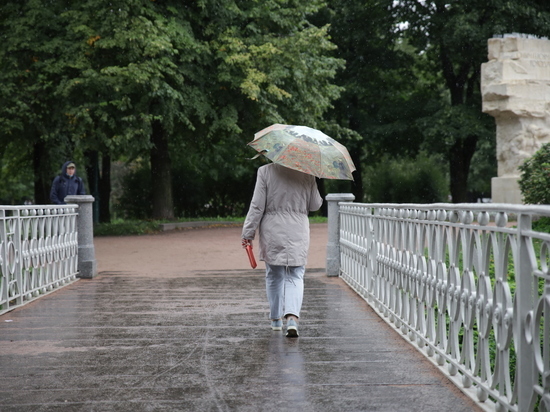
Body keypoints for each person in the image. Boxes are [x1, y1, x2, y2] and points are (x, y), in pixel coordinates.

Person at [242, 163, 323, 337]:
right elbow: (315, 205)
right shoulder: (307, 173)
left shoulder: (265, 171)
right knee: (296, 274)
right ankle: (293, 318)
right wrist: (313, 180)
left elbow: (257, 206)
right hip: (298, 229)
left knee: (274, 274)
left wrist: (248, 232)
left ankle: (276, 319)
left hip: (273, 229)